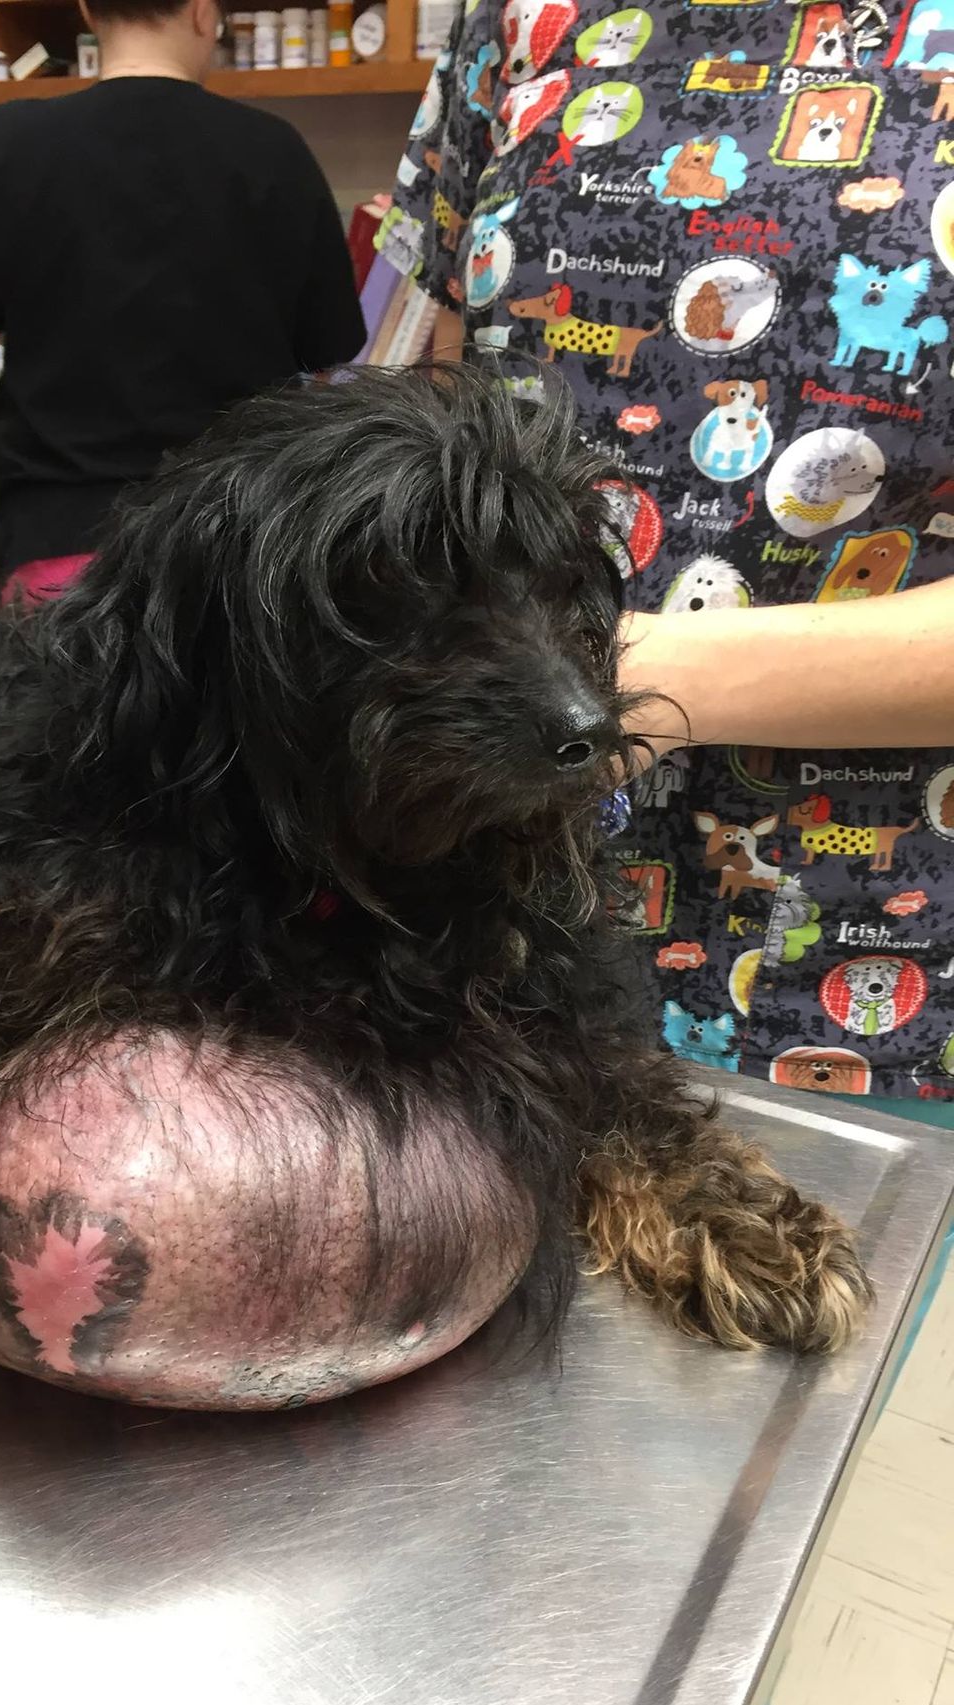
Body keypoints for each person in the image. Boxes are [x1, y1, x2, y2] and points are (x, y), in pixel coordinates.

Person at [383, 0, 954, 1121]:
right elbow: (431, 412)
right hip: (480, 920)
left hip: (850, 966)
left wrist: (622, 684)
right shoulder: (507, 21)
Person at [0, 0, 366, 601]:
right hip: (231, 544)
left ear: (88, 11)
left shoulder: (8, 141)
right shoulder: (273, 150)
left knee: (53, 695)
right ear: (201, 12)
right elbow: (330, 345)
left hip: (60, 546)